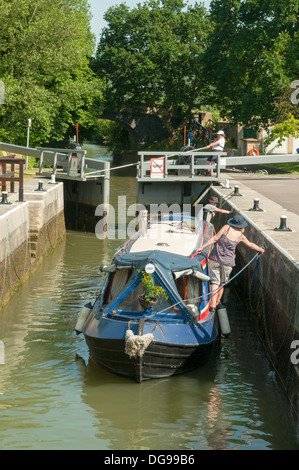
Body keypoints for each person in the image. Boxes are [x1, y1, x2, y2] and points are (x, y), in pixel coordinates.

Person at [195, 214, 265, 311]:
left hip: (215, 258)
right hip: (228, 263)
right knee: (222, 284)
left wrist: (202, 247)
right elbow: (251, 245)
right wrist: (260, 250)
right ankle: (217, 303)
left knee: (214, 282)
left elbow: (215, 238)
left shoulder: (226, 228)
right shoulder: (241, 236)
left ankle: (212, 305)